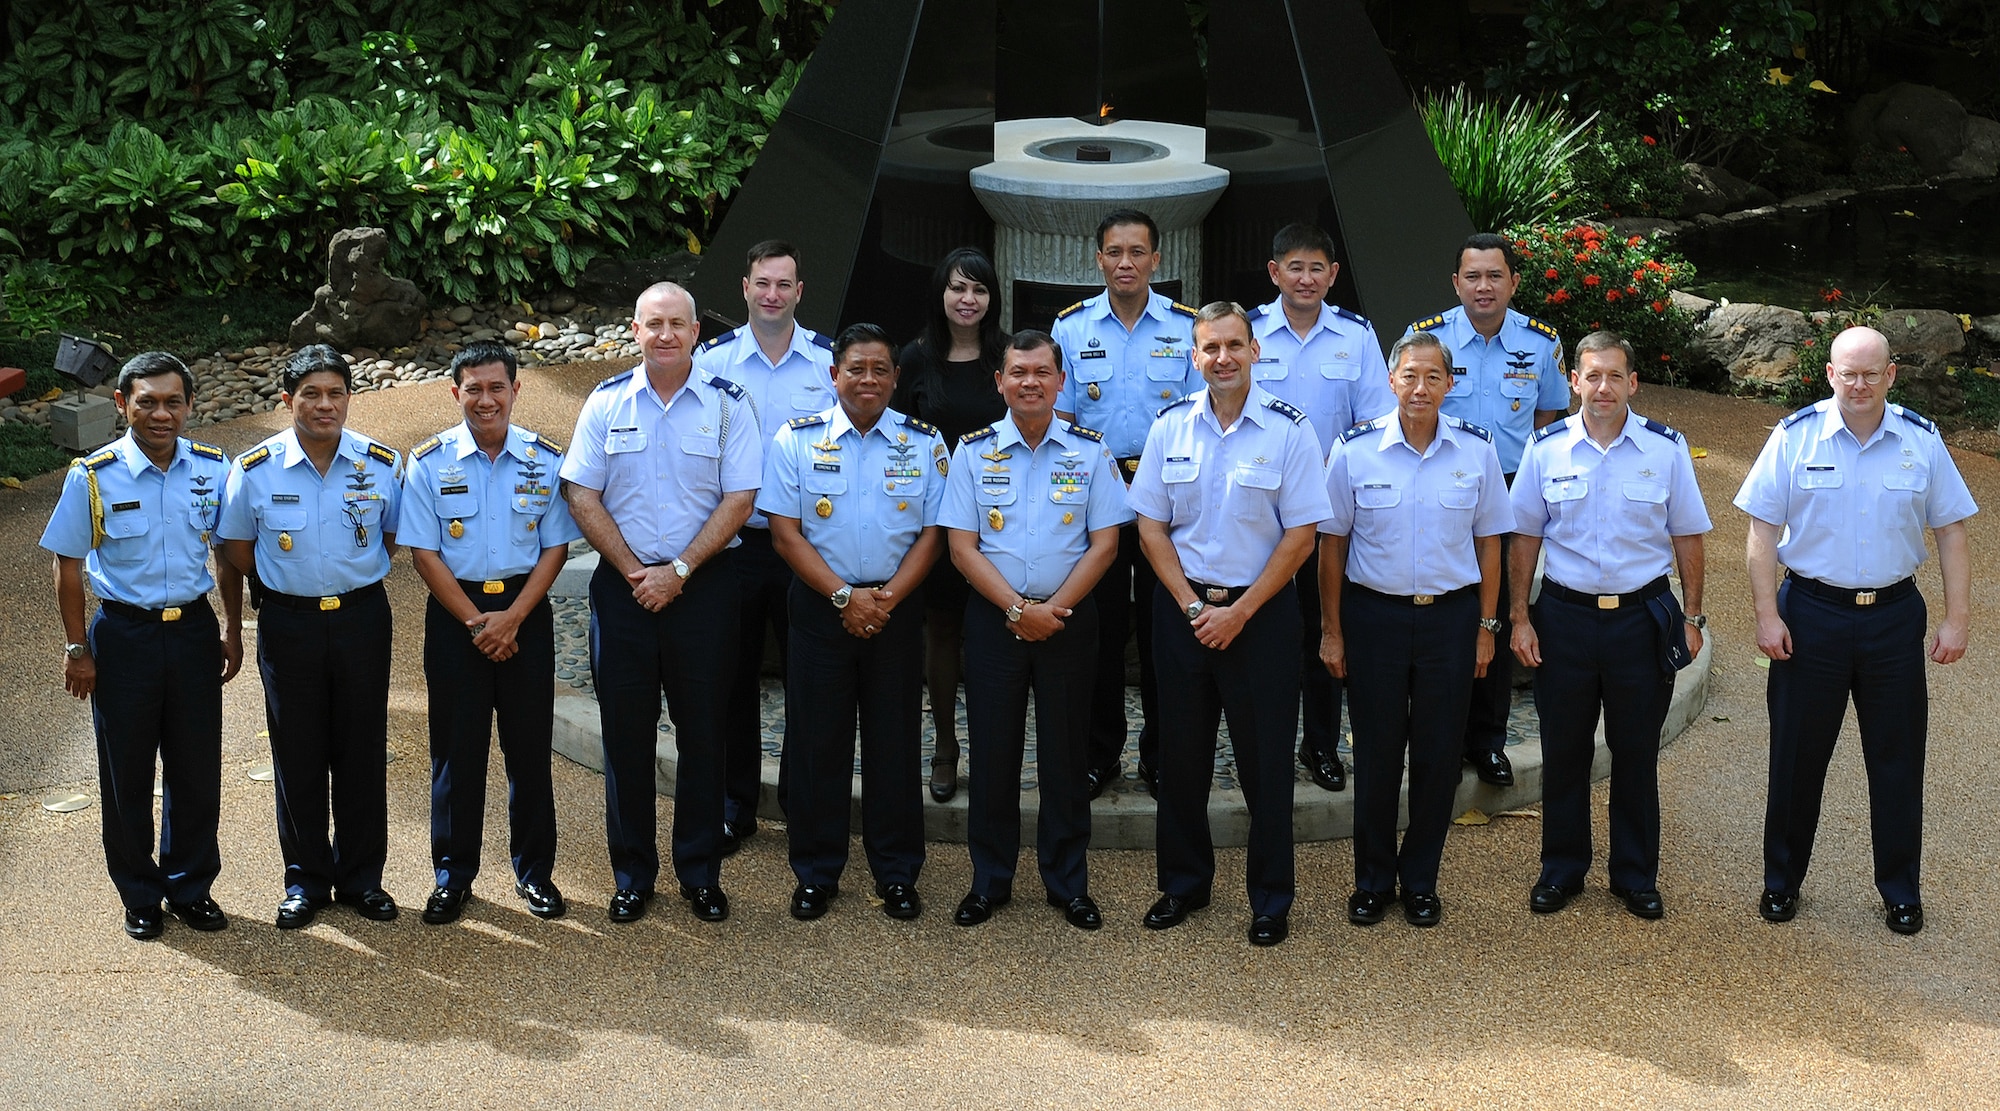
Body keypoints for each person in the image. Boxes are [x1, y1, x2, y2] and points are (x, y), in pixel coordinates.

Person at [1733, 325, 1974, 936]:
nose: (1860, 384)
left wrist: (1957, 617)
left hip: (1894, 619)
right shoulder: (1794, 436)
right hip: (1810, 615)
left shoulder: (1921, 440)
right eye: (1849, 372)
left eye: (1872, 372)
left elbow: (1950, 531)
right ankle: (1781, 883)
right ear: (1830, 374)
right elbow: (1761, 533)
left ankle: (1900, 891)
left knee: (1897, 761)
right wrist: (1767, 615)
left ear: (1891, 374)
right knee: (1796, 758)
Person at [1128, 302, 1330, 947]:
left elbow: (1301, 536)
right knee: (1181, 757)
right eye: (1210, 348)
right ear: (1194, 356)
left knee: (1266, 761)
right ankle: (1183, 885)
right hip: (1182, 609)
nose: (1222, 358)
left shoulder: (1290, 430)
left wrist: (1240, 612)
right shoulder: (1169, 427)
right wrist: (1192, 606)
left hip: (1261, 615)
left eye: (1234, 346)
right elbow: (1151, 526)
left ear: (1254, 352)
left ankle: (1271, 898)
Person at [559, 282, 758, 925]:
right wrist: (636, 572)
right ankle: (632, 874)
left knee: (704, 733)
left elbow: (739, 501)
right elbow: (581, 494)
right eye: (654, 324)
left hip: (702, 590)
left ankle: (699, 872)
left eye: (677, 324)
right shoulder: (606, 401)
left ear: (697, 332)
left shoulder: (729, 405)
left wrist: (677, 571)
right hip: (623, 593)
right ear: (635, 332)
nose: (666, 335)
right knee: (625, 736)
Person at [41, 351, 245, 939]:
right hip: (124, 635)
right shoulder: (94, 476)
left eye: (173, 401)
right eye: (147, 401)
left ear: (188, 405)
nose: (161, 413)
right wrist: (77, 649)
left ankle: (190, 887)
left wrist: (230, 629)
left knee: (196, 768)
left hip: (191, 632)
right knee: (125, 771)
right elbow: (69, 564)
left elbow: (228, 555)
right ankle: (139, 892)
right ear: (122, 404)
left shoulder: (213, 469)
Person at [1509, 330, 1710, 920]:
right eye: (1592, 376)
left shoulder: (1665, 449)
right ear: (1574, 381)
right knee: (1564, 750)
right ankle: (1562, 869)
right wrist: (1519, 617)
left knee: (1636, 751)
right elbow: (1524, 537)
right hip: (1565, 618)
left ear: (1633, 383)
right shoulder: (1545, 449)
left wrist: (1692, 616)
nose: (1603, 388)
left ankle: (1634, 874)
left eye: (1615, 376)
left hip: (1640, 620)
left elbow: (1688, 536)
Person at [1321, 330, 1510, 929]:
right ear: (1391, 381)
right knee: (1376, 755)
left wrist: (1486, 627)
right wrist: (1332, 629)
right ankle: (1373, 881)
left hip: (1451, 620)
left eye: (1433, 377)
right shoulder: (1353, 450)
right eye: (1410, 376)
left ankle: (1421, 880)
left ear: (1450, 385)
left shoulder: (1476, 451)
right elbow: (1332, 547)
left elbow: (1490, 544)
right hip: (1374, 616)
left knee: (1438, 756)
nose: (1420, 388)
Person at [941, 330, 1129, 930]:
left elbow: (1105, 545)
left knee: (1066, 757)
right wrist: (1019, 611)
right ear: (999, 382)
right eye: (1018, 372)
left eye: (1042, 373)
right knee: (993, 755)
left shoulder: (1090, 452)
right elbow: (962, 547)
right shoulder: (971, 453)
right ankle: (989, 881)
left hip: (1070, 620)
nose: (1029, 382)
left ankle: (1067, 883)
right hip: (996, 621)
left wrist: (1054, 610)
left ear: (1060, 381)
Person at [760, 323, 947, 922]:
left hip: (895, 607)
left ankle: (896, 873)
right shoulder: (796, 439)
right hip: (821, 610)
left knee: (895, 743)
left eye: (880, 370)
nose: (868, 380)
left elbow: (934, 533)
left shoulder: (924, 443)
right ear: (833, 374)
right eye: (856, 369)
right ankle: (816, 871)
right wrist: (845, 597)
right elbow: (785, 535)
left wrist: (885, 598)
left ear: (896, 377)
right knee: (819, 743)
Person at [219, 344, 402, 930]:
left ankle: (362, 879)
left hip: (361, 617)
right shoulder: (253, 470)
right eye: (311, 395)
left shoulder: (380, 464)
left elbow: (391, 538)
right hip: (289, 622)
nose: (325, 405)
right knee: (296, 751)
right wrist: (237, 623)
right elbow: (236, 553)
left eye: (335, 393)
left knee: (361, 748)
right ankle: (304, 881)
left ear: (350, 398)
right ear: (286, 401)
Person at [401, 340, 582, 924]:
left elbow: (556, 546)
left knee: (528, 750)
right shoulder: (428, 463)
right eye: (473, 388)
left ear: (515, 390)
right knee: (456, 753)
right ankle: (453, 877)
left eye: (496, 387)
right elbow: (423, 553)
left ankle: (536, 875)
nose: (485, 399)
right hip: (458, 617)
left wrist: (513, 619)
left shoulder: (544, 460)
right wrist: (479, 621)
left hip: (525, 612)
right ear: (455, 393)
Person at [1408, 232, 1568, 788]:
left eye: (1494, 276)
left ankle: (1489, 741)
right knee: (1449, 616)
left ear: (1513, 282)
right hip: (1441, 486)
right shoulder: (1424, 339)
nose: (1483, 287)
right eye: (1472, 276)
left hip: (1509, 487)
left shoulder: (1542, 343)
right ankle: (1443, 743)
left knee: (1494, 616)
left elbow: (1548, 420)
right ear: (1456, 283)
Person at [1051, 209, 1200, 798]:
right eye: (1114, 252)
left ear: (1157, 260)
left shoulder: (1186, 326)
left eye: (1138, 252)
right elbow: (1061, 422)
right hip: (1100, 497)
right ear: (1099, 259)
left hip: (1166, 497)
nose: (1126, 263)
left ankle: (1163, 754)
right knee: (1100, 631)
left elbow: (1197, 419)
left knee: (1166, 628)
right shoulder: (1071, 328)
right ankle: (1099, 752)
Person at [693, 240, 834, 853]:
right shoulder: (712, 361)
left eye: (784, 284)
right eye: (762, 284)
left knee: (810, 681)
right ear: (744, 289)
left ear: (800, 292)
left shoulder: (828, 364)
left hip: (806, 545)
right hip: (739, 546)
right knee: (732, 677)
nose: (772, 294)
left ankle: (804, 804)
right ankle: (735, 805)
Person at [1249, 223, 1394, 793]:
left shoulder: (1355, 336)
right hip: (1259, 506)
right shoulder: (1252, 331)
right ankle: (1263, 743)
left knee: (1324, 626)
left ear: (1333, 276)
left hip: (1329, 508)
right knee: (1264, 628)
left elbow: (1371, 423)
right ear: (1274, 272)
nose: (1305, 278)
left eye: (1317, 269)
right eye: (1294, 267)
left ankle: (1322, 744)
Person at [893, 246, 1010, 803]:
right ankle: (944, 746)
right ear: (940, 294)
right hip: (936, 522)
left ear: (993, 299)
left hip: (1003, 520)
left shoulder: (1010, 357)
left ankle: (994, 748)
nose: (968, 300)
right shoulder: (913, 359)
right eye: (958, 288)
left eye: (979, 290)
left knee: (996, 633)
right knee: (940, 631)